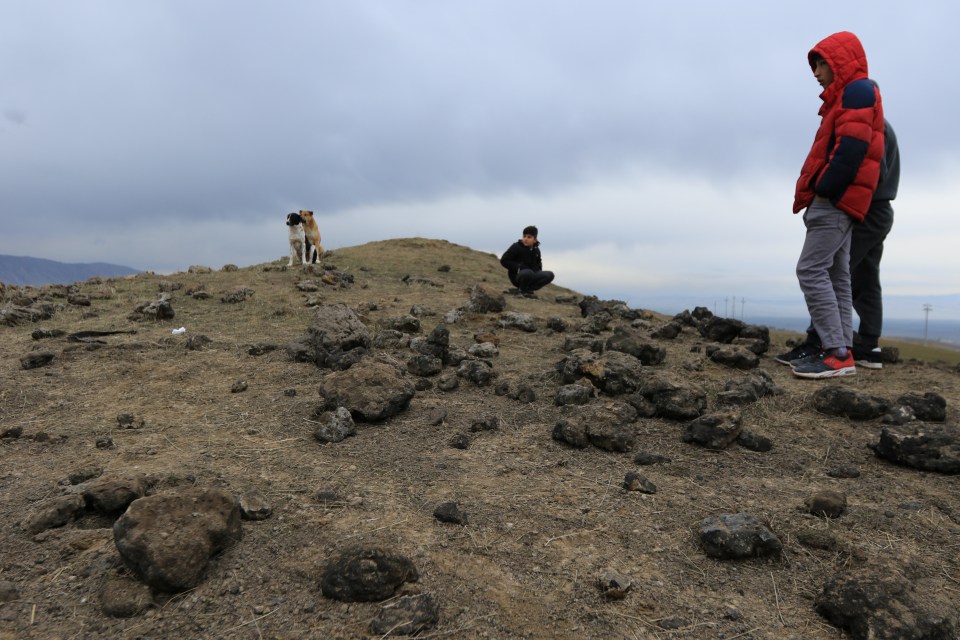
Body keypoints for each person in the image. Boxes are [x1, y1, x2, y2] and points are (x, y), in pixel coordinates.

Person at [786, 31, 885, 379]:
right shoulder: (850, 94)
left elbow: (851, 148)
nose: (816, 71)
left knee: (810, 269)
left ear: (839, 61)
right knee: (837, 275)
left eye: (821, 63)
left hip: (835, 200)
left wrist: (824, 189)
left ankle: (835, 353)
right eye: (814, 64)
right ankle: (842, 351)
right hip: (843, 201)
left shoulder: (857, 91)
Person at [776, 113, 899, 370]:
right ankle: (867, 346)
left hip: (866, 209)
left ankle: (821, 343)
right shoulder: (881, 126)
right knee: (864, 275)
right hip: (879, 210)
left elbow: (874, 170)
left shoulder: (871, 124)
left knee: (831, 273)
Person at [500, 225, 555, 297]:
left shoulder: (536, 250)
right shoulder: (516, 247)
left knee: (550, 275)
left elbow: (539, 263)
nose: (525, 239)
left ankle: (528, 290)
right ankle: (522, 290)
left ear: (535, 239)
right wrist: (519, 267)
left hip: (532, 275)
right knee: (527, 273)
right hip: (517, 276)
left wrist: (538, 271)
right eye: (524, 236)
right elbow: (504, 260)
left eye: (529, 237)